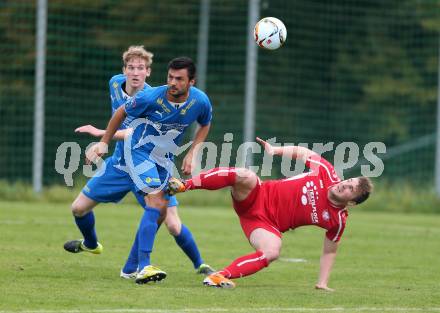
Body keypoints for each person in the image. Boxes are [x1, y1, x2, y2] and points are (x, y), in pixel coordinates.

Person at [64, 48, 213, 284]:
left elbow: (205, 123)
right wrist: (103, 142)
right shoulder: (132, 91)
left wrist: (193, 152)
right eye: (170, 77)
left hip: (160, 161)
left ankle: (144, 267)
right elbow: (122, 114)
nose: (173, 83)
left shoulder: (198, 100)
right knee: (80, 208)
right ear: (124, 71)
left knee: (166, 215)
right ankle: (140, 265)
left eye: (179, 79)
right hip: (132, 158)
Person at [168, 137, 373, 290]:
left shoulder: (337, 220)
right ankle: (184, 185)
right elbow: (303, 153)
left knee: (273, 251)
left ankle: (218, 276)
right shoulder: (327, 172)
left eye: (350, 189)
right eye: (348, 181)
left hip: (265, 225)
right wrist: (275, 150)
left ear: (352, 202)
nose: (344, 185)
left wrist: (322, 283)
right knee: (246, 175)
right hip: (255, 195)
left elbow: (330, 251)